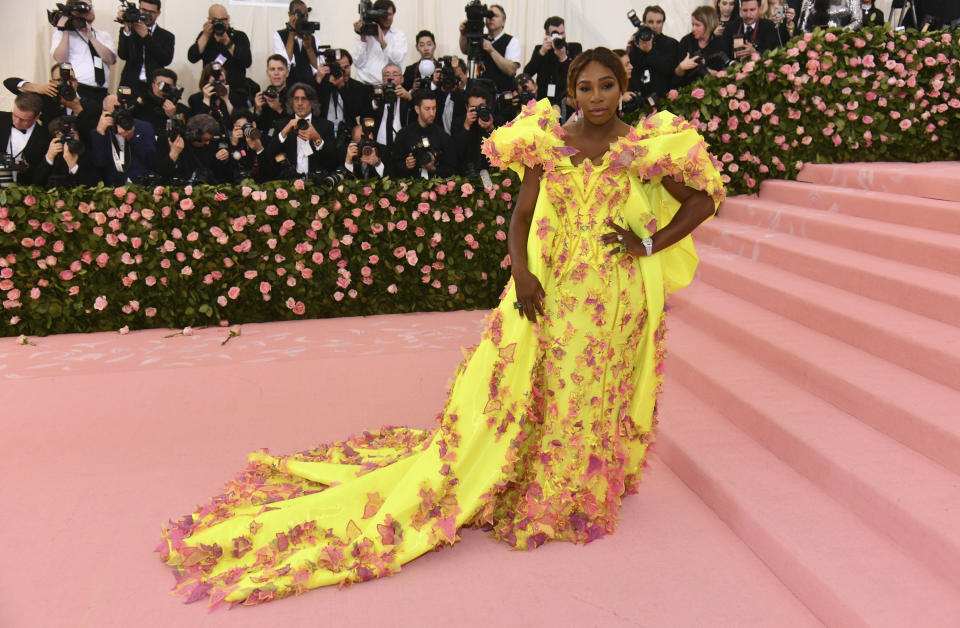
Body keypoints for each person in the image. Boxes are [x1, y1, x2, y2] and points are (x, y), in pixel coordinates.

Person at [157, 46, 724, 607]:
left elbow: (702, 200)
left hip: (614, 298)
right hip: (549, 288)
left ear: (622, 85)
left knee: (592, 388)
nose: (595, 97)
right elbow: (522, 216)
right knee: (537, 384)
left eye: (606, 85)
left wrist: (646, 242)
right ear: (570, 91)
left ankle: (578, 487)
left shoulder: (645, 147)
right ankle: (535, 474)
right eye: (584, 87)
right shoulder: (548, 142)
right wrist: (522, 272)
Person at [262, 82, 337, 179]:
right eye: (296, 99)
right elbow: (269, 156)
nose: (300, 103)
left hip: (317, 184)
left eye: (304, 99)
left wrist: (317, 139)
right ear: (291, 102)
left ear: (312, 102)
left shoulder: (326, 126)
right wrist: (284, 133)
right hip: (288, 184)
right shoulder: (281, 125)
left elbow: (333, 163)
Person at [50, 0, 117, 107]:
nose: (89, 10)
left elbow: (111, 59)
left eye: (91, 6)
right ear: (74, 10)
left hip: (102, 92)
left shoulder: (103, 35)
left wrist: (91, 37)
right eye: (84, 7)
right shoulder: (61, 34)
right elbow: (61, 59)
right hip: (78, 89)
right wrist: (65, 30)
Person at [186, 4, 252, 107]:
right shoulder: (206, 37)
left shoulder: (239, 36)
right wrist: (205, 35)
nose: (221, 23)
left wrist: (228, 42)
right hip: (211, 91)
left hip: (235, 90)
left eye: (224, 20)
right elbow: (192, 57)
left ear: (228, 19)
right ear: (209, 20)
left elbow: (247, 62)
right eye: (216, 20)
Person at [89, 93, 155, 185]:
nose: (119, 117)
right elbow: (99, 163)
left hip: (140, 186)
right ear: (104, 113)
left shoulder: (143, 127)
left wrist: (131, 137)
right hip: (111, 188)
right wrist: (100, 133)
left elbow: (150, 160)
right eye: (115, 113)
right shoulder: (99, 132)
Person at [116, 0, 175, 99]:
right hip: (129, 83)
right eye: (143, 10)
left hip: (152, 86)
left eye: (151, 12)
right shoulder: (128, 30)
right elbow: (122, 55)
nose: (146, 15)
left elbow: (166, 60)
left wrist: (146, 37)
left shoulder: (167, 36)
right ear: (139, 9)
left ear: (158, 13)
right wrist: (127, 29)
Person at [459, 4, 522, 94]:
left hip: (502, 95)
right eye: (488, 16)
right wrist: (463, 33)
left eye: (495, 16)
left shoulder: (512, 41)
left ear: (503, 22)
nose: (491, 18)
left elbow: (511, 70)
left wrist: (491, 50)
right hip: (481, 94)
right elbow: (465, 50)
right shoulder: (480, 38)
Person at [392, 89, 456, 178]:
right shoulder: (403, 134)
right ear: (417, 109)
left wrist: (434, 169)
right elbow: (394, 164)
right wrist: (406, 165)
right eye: (427, 109)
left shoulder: (443, 136)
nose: (432, 113)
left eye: (434, 108)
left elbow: (451, 168)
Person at [523, 17, 582, 110]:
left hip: (567, 101)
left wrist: (563, 58)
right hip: (544, 100)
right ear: (547, 35)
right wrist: (541, 53)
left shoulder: (574, 48)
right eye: (556, 34)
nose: (560, 37)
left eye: (562, 33)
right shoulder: (541, 49)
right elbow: (527, 73)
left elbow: (578, 74)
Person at [155, 113, 232, 184]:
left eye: (209, 140)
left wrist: (225, 157)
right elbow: (161, 171)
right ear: (194, 136)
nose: (207, 143)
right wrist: (174, 153)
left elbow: (219, 174)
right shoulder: (171, 140)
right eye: (205, 140)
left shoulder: (210, 144)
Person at [627, 6, 679, 103]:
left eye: (659, 22)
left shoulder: (671, 44)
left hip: (665, 101)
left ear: (663, 23)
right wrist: (629, 51)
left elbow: (669, 69)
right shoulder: (637, 43)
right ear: (644, 23)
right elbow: (632, 71)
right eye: (651, 22)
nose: (655, 26)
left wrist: (650, 51)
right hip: (640, 103)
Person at [315, 49, 374, 134]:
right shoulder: (322, 84)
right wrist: (318, 80)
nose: (343, 71)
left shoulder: (359, 87)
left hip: (348, 134)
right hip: (324, 133)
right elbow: (315, 107)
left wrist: (341, 87)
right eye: (339, 68)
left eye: (346, 67)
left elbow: (355, 112)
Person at [34, 114, 98, 188]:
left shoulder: (88, 154)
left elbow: (94, 186)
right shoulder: (52, 153)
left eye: (72, 134)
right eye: (62, 135)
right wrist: (49, 157)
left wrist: (73, 166)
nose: (68, 139)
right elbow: (36, 183)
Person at [0, 93, 50, 186]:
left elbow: (41, 173)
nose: (16, 121)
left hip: (22, 190)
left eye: (24, 120)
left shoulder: (45, 137)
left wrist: (27, 168)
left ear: (37, 117)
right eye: (14, 115)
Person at [352, 0, 407, 86]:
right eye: (384, 15)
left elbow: (398, 59)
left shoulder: (399, 35)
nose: (387, 18)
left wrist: (382, 42)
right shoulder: (365, 33)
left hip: (388, 85)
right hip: (364, 84)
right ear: (376, 14)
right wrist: (363, 37)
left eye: (390, 14)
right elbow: (357, 63)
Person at [674, 6, 728, 90]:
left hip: (713, 91)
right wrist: (681, 67)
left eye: (697, 25)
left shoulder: (719, 43)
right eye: (693, 24)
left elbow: (726, 72)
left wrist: (715, 74)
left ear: (709, 25)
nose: (693, 29)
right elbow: (676, 76)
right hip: (687, 91)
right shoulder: (686, 41)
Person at [452, 85, 496, 176]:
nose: (477, 111)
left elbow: (501, 151)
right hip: (465, 174)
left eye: (480, 107)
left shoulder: (494, 120)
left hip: (491, 172)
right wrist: (466, 126)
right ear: (466, 107)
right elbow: (456, 153)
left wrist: (490, 129)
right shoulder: (458, 122)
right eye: (473, 108)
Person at [274, 0, 320, 85]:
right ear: (290, 14)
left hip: (309, 86)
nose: (303, 18)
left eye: (305, 15)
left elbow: (317, 68)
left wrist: (309, 48)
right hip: (289, 86)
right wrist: (291, 34)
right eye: (298, 14)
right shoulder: (279, 35)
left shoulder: (313, 38)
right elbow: (284, 64)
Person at [135, 68, 189, 138]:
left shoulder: (180, 109)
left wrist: (173, 116)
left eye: (167, 86)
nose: (163, 89)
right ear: (153, 86)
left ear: (174, 88)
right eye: (160, 85)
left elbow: (183, 134)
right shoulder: (142, 103)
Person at [253, 55, 292, 134]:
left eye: (280, 69)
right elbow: (259, 129)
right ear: (267, 73)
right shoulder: (263, 98)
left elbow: (296, 125)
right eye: (272, 69)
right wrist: (258, 111)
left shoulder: (295, 96)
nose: (276, 73)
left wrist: (279, 109)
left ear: (287, 73)